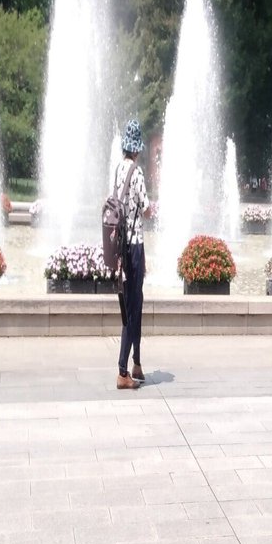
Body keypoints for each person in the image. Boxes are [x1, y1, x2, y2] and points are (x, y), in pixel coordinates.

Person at [114, 119, 151, 391]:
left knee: (134, 303)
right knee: (132, 308)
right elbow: (147, 208)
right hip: (134, 247)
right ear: (137, 148)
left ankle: (137, 363)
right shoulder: (136, 173)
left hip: (120, 248)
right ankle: (122, 371)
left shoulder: (118, 170)